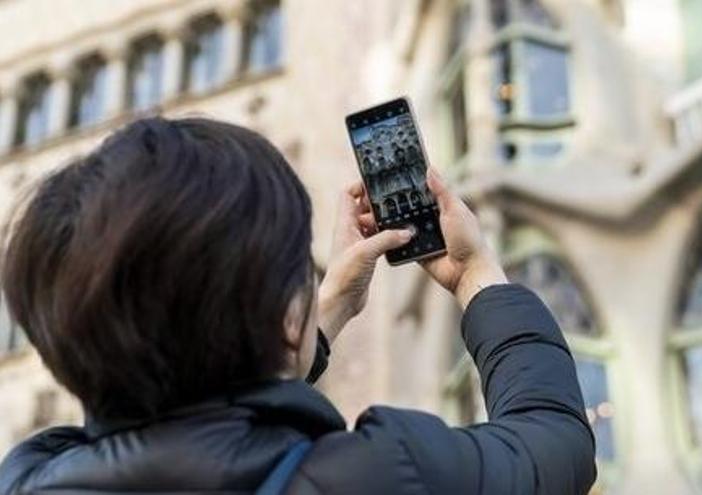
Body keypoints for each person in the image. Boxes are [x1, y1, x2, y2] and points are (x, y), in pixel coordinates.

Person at [0, 117, 596, 494]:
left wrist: (325, 310)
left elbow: (201, 415)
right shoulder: (378, 473)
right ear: (286, 314)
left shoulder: (30, 474)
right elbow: (554, 441)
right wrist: (475, 273)